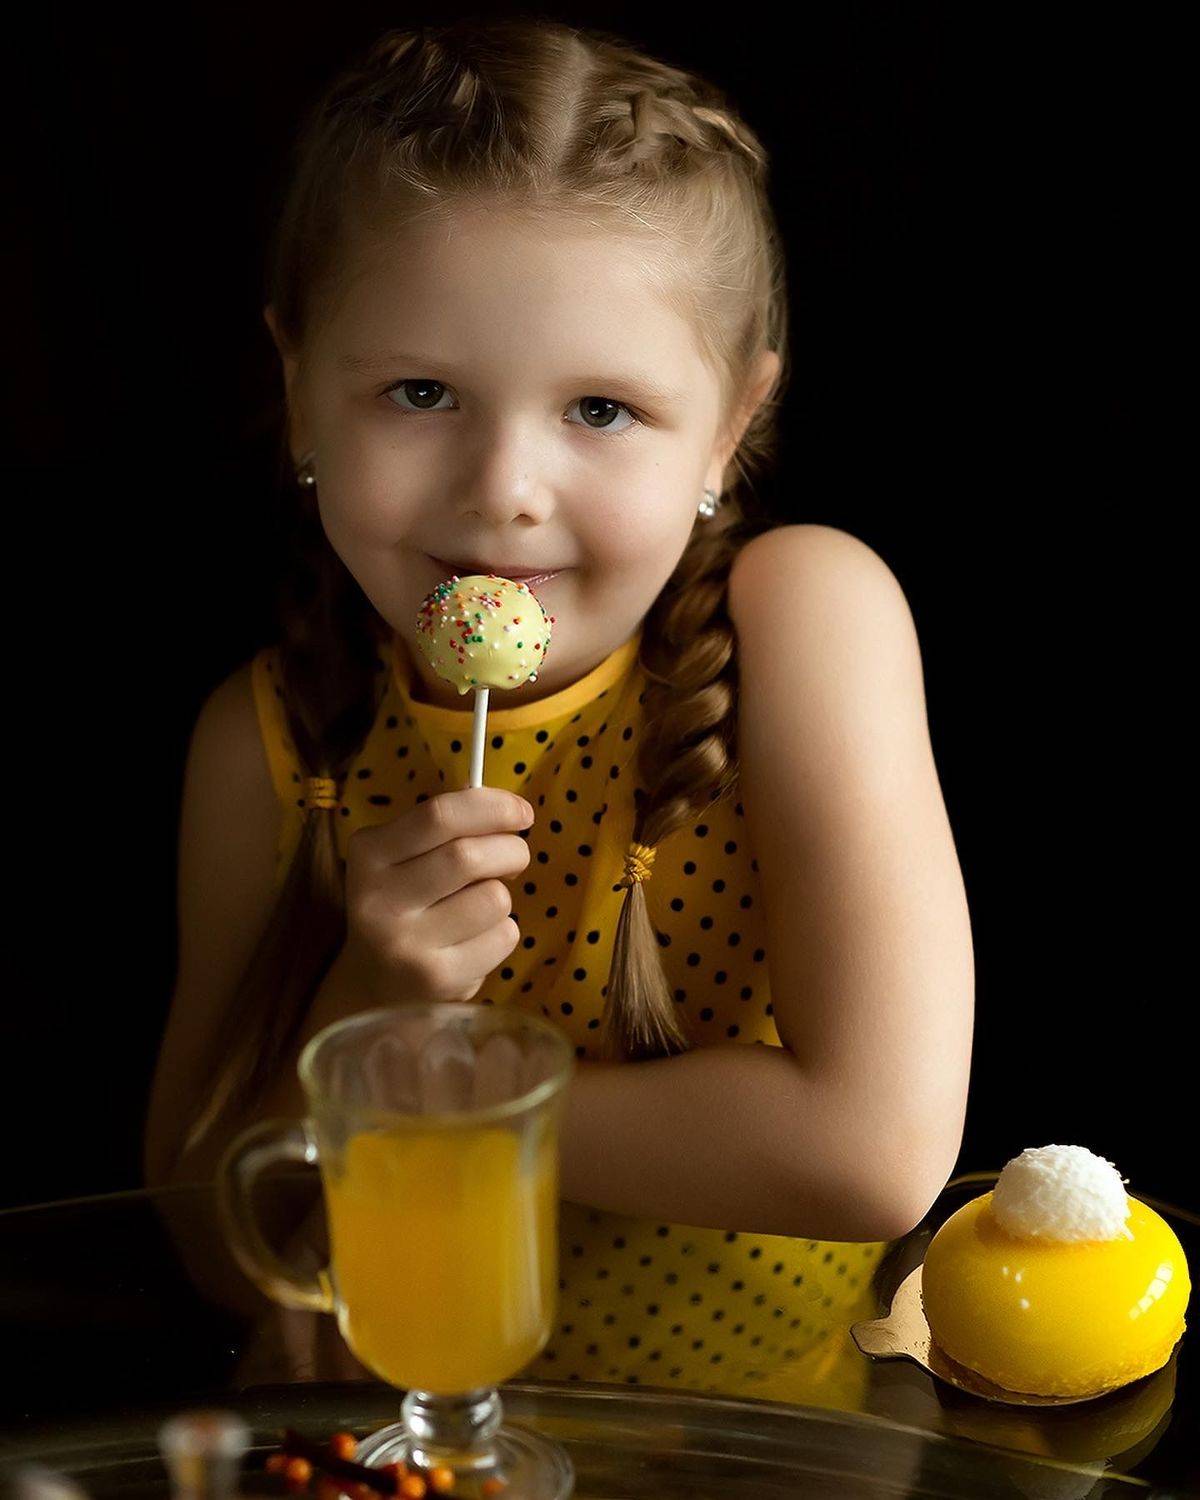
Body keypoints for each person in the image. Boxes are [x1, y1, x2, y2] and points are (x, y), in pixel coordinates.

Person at [143, 17, 974, 1401]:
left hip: (773, 1451)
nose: (503, 490)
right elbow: (212, 1246)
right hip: (410, 1443)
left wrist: (444, 1097)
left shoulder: (806, 618)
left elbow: (872, 1152)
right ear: (299, 393)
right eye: (421, 392)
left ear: (729, 428)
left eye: (599, 410)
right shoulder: (267, 744)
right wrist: (372, 1002)